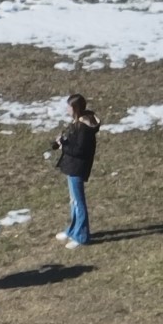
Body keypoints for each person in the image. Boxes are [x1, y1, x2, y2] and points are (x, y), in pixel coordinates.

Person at [51, 93, 99, 248]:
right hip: (72, 166)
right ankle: (73, 230)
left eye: (69, 106)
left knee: (79, 203)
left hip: (77, 167)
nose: (66, 109)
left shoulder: (84, 128)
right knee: (74, 201)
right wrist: (63, 141)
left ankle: (82, 236)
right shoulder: (77, 123)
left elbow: (79, 150)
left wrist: (64, 144)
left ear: (76, 108)